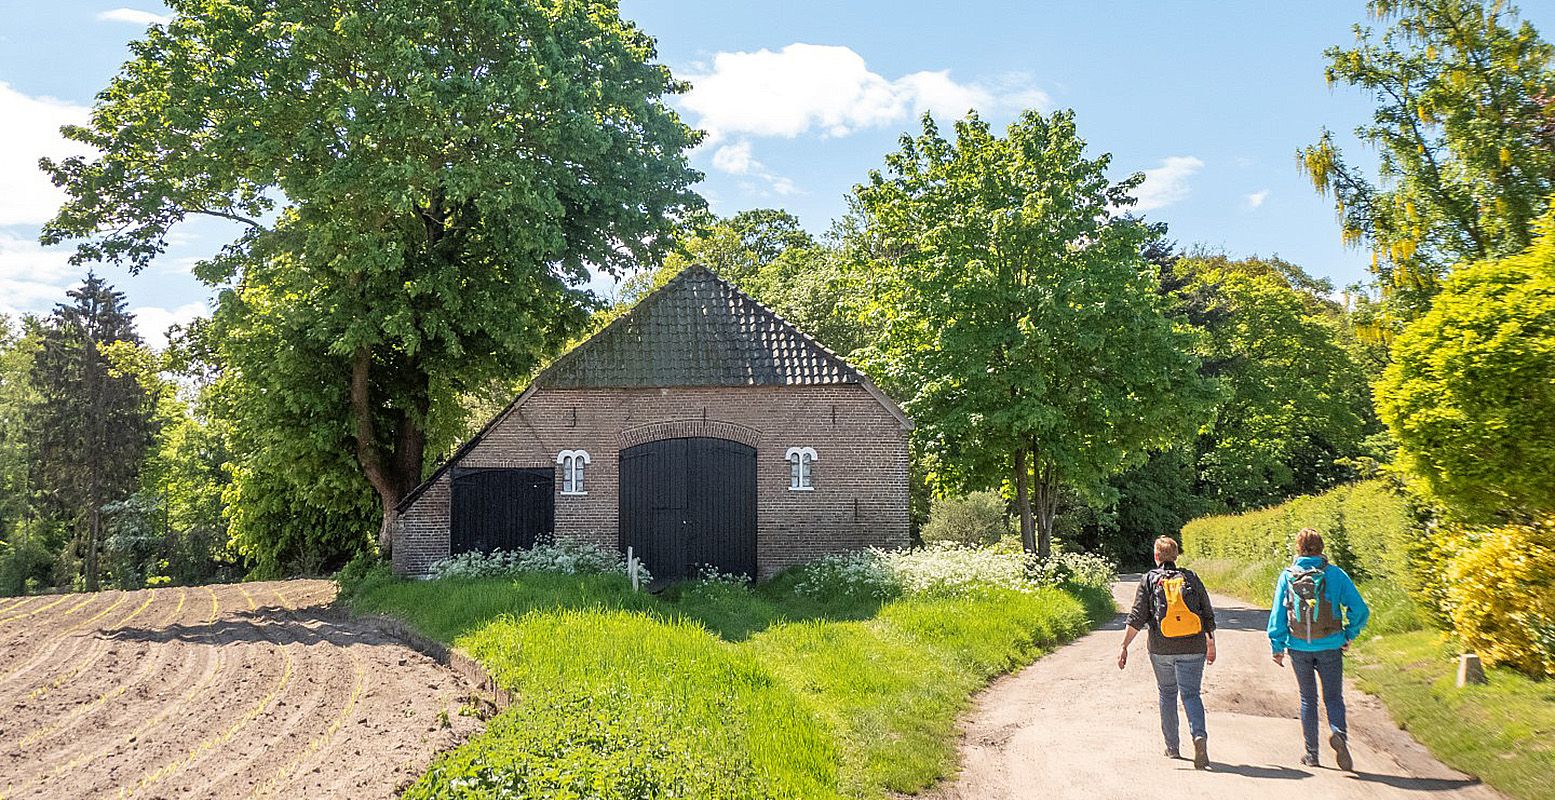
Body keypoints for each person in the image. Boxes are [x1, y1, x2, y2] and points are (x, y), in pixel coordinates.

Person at [1268, 527, 1370, 771]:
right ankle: (1339, 734)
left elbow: (1278, 615)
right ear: (1322, 548)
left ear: (1298, 548)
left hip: (1298, 646)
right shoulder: (1335, 575)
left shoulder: (1288, 576)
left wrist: (1277, 645)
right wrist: (1349, 634)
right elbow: (1360, 610)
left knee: (1308, 698)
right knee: (1333, 697)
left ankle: (1312, 754)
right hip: (1331, 644)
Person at [1119, 536, 1217, 769]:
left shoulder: (1150, 580)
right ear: (1175, 556)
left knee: (1167, 694)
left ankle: (1172, 747)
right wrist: (1211, 644)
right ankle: (1199, 736)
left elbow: (1137, 617)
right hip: (1193, 646)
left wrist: (1124, 646)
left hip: (1161, 648)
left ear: (1156, 557)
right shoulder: (1191, 578)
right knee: (1191, 694)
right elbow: (1207, 614)